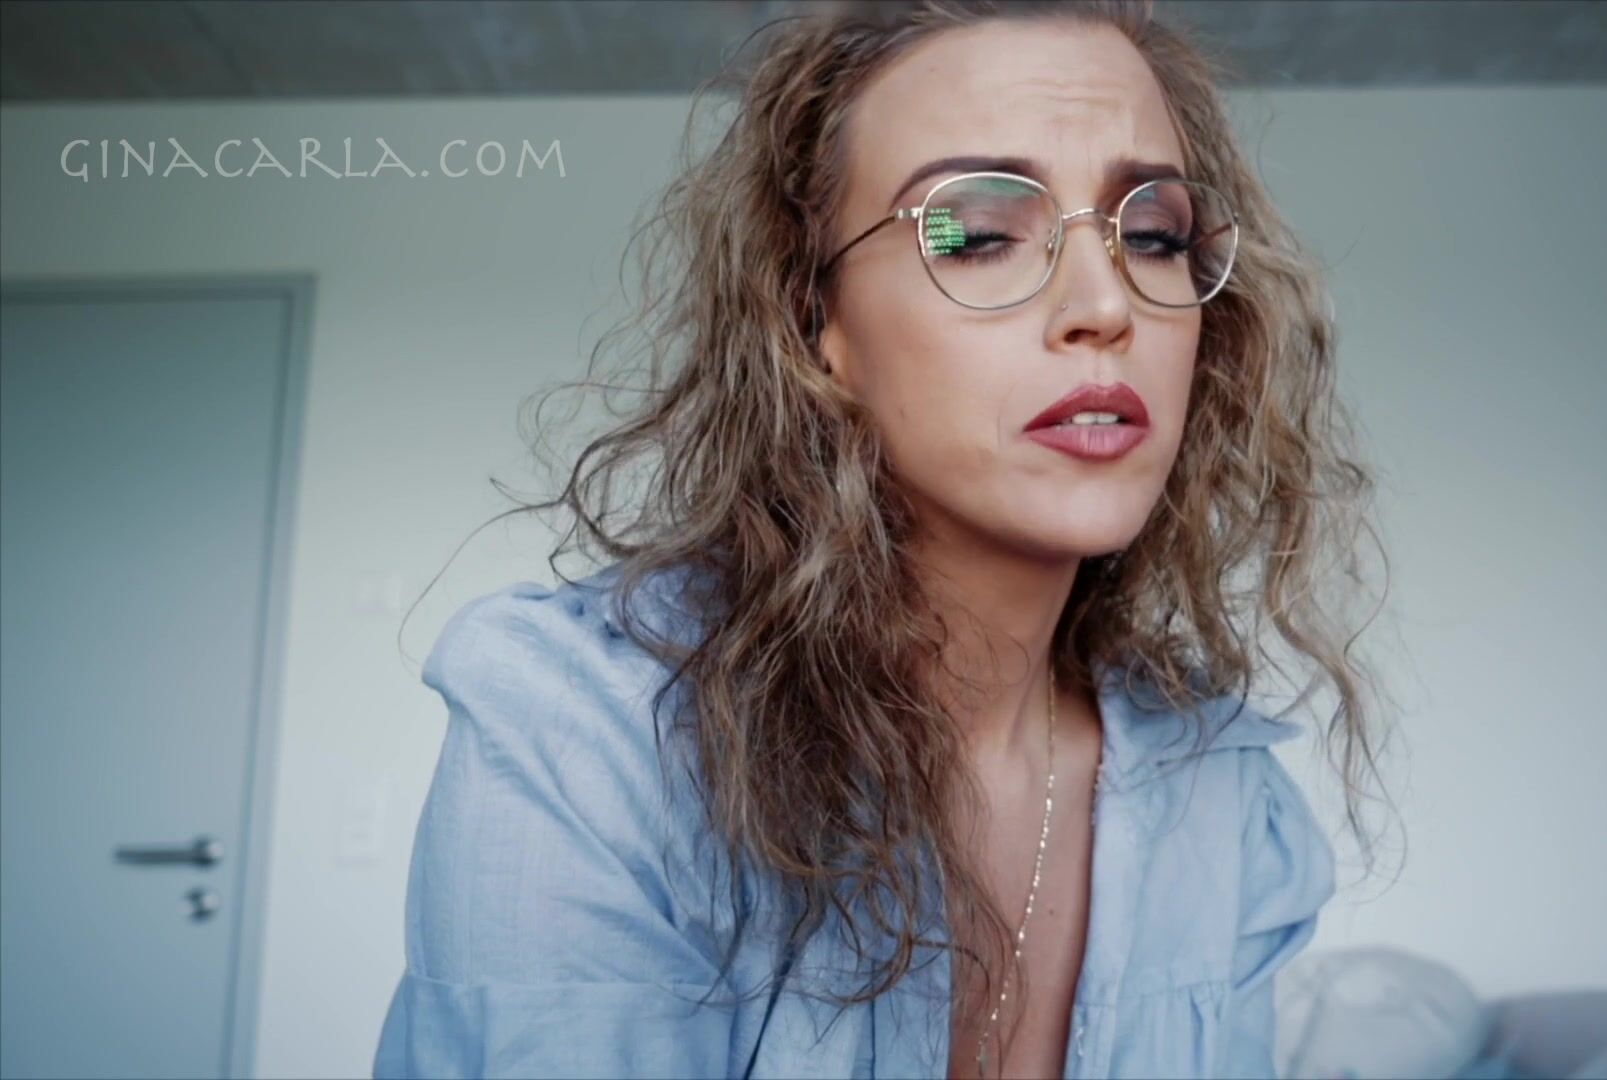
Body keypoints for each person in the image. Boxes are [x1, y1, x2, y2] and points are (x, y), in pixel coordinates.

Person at [373, 1, 1389, 1076]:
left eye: (1153, 237)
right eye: (976, 234)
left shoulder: (1225, 802)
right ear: (816, 322)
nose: (1107, 304)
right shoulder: (595, 738)